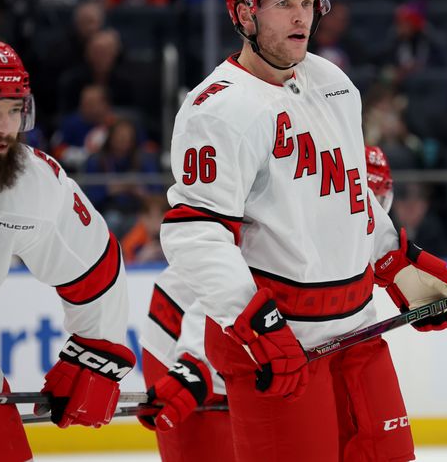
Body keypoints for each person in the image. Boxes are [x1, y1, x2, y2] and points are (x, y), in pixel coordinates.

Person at [144, 0, 447, 462]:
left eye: (307, 0)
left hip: (356, 329)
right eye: (282, 3)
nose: (302, 16)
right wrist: (253, 322)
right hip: (281, 341)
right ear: (245, 13)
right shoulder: (218, 110)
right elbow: (196, 233)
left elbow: (350, 197)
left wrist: (395, 264)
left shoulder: (332, 83)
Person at [0, 40, 135, 461]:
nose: (6, 128)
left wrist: (97, 354)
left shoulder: (34, 184)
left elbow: (94, 268)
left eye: (15, 110)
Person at [138, 143, 398, 462]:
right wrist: (196, 368)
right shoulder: (293, 229)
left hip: (249, 347)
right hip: (181, 338)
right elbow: (219, 299)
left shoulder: (344, 226)